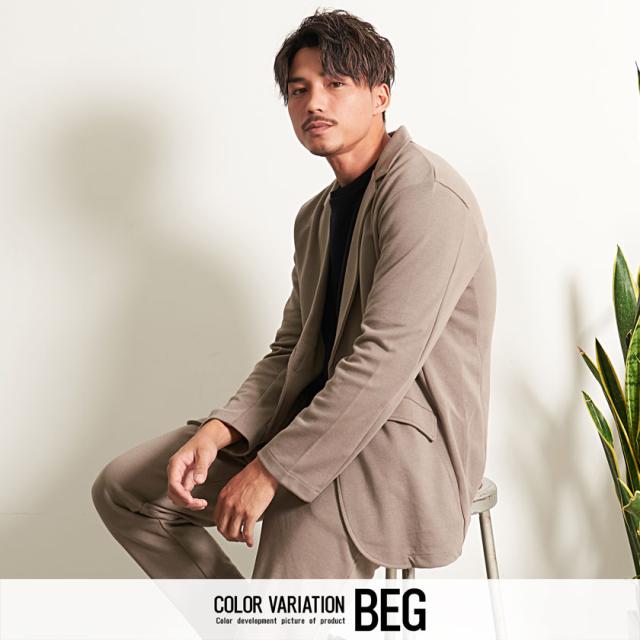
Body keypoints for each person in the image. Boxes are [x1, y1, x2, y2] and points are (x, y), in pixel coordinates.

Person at [91, 8, 497, 579]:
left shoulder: (427, 197)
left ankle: (273, 617)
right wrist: (220, 429)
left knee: (291, 536)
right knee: (127, 490)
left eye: (336, 84)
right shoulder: (316, 217)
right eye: (299, 89)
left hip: (397, 440)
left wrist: (272, 471)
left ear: (381, 95)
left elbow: (384, 362)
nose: (314, 103)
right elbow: (290, 351)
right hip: (313, 421)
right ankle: (248, 619)